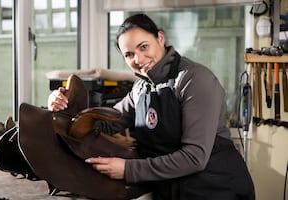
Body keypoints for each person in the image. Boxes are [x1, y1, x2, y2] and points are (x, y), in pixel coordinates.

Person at [48, 13, 255, 200]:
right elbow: (104, 124)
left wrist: (128, 169)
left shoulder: (195, 79)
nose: (138, 59)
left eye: (143, 46)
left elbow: (194, 157)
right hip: (170, 189)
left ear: (160, 38)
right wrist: (62, 106)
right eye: (129, 54)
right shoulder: (141, 88)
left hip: (214, 189)